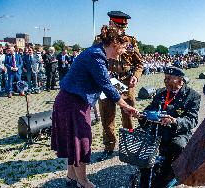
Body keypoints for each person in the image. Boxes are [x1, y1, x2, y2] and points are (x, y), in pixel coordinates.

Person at [51, 25, 139, 188]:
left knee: (74, 141)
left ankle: (71, 177)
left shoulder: (97, 53)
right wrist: (126, 106)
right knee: (82, 140)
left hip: (73, 101)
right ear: (114, 44)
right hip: (72, 103)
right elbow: (106, 85)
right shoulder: (96, 56)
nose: (124, 51)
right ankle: (83, 181)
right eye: (123, 47)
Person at [137, 67, 201, 187]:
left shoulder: (193, 96)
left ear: (181, 80)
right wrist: (141, 115)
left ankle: (172, 174)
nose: (166, 81)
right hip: (159, 129)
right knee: (144, 145)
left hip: (178, 132)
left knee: (177, 146)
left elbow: (192, 120)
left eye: (170, 79)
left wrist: (175, 121)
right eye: (165, 78)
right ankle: (145, 178)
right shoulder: (161, 92)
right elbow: (150, 109)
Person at [97, 11, 143, 161]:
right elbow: (95, 61)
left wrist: (135, 76)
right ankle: (109, 146)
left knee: (128, 116)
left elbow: (139, 64)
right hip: (107, 83)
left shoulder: (130, 41)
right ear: (111, 24)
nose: (122, 30)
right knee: (107, 117)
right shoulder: (100, 40)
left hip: (125, 82)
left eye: (123, 27)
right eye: (119, 26)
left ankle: (128, 145)